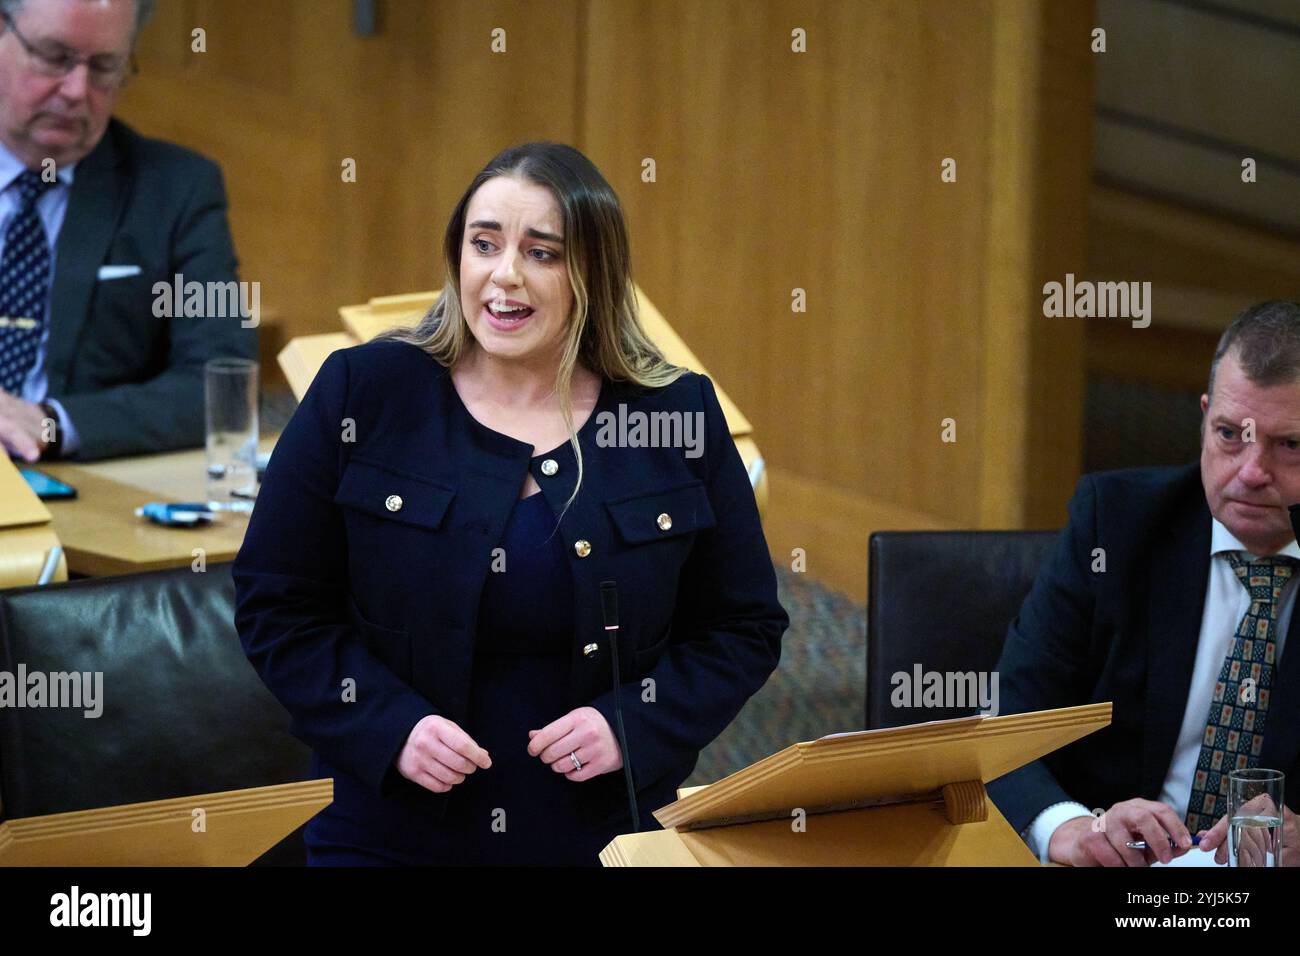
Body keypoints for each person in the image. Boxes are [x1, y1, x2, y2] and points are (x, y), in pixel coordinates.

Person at [232, 142, 789, 866]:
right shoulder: (364, 393)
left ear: (595, 271)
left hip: (605, 829)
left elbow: (742, 626)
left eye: (543, 253)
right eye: (484, 244)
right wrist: (385, 725)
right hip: (391, 826)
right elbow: (277, 603)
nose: (504, 276)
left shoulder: (674, 413)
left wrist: (635, 722)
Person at [989, 300, 1300, 867]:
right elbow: (1010, 722)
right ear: (1204, 418)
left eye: (1290, 446)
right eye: (1230, 435)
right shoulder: (1116, 524)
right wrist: (1075, 828)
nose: (1253, 473)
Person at [0, 0, 254, 462]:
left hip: (76, 489)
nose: (77, 90)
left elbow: (223, 384)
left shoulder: (177, 191)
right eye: (55, 57)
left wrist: (52, 422)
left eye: (104, 67)